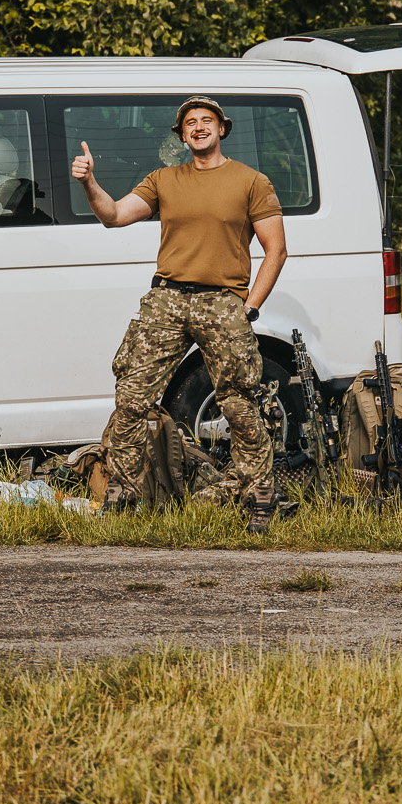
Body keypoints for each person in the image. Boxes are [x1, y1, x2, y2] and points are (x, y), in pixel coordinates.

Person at [73, 97, 289, 530]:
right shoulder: (164, 180)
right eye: (190, 123)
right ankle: (124, 492)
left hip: (223, 301)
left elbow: (276, 250)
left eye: (206, 121)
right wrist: (89, 181)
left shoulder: (251, 181)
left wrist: (249, 308)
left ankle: (259, 493)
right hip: (168, 299)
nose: (198, 127)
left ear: (222, 129)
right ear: (182, 135)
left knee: (238, 402)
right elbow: (113, 216)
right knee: (131, 398)